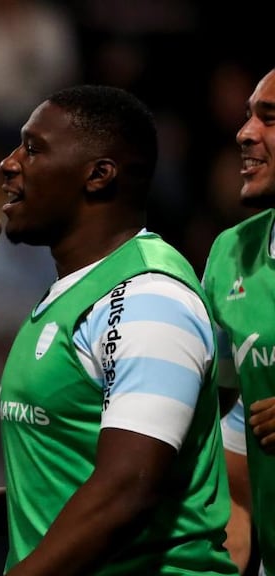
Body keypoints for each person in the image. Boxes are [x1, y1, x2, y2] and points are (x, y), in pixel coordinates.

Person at [0, 85, 237, 575]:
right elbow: (67, 495)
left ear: (98, 175)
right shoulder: (74, 295)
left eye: (33, 149)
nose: (8, 164)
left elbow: (127, 489)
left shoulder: (148, 296)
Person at [203, 67, 275, 575]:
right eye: (249, 115)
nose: (245, 132)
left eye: (269, 118)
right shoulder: (231, 254)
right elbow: (233, 460)